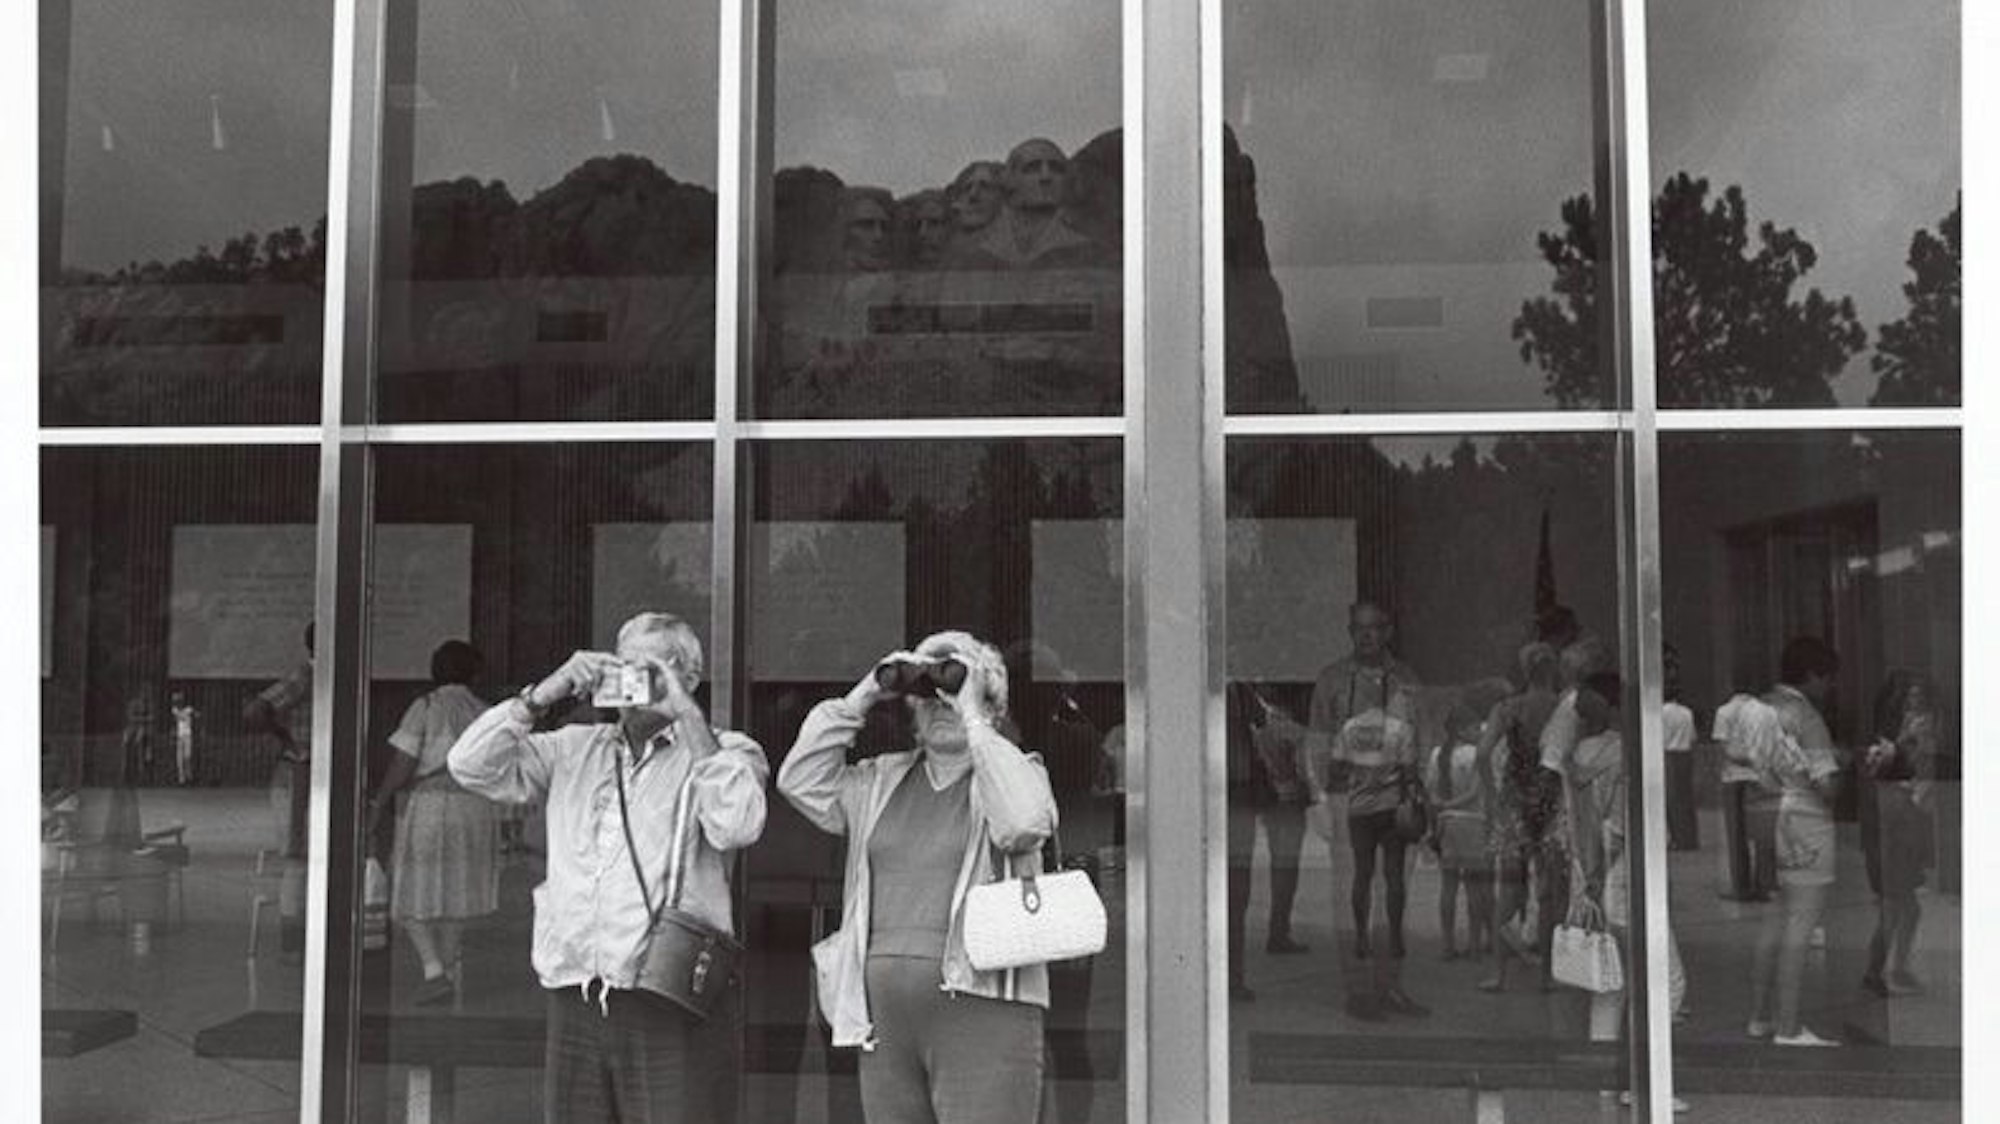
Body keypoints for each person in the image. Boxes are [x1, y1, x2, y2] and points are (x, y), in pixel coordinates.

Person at [449, 611, 768, 1123]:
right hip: (576, 988)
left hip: (667, 992)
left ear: (690, 675)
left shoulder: (726, 751)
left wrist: (683, 711)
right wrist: (543, 696)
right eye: (625, 666)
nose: (634, 680)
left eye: (653, 667)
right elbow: (468, 765)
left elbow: (738, 826)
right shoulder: (574, 749)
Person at [778, 630, 1057, 1124]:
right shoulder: (880, 779)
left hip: (984, 1008)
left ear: (991, 705)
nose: (940, 704)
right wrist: (867, 691)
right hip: (884, 1017)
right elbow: (800, 779)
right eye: (927, 695)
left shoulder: (1016, 772)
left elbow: (1023, 823)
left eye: (953, 689)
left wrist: (974, 718)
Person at [1567, 672, 1690, 1113]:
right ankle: (1648, 1080)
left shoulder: (1580, 753)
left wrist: (1589, 877)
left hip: (1597, 877)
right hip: (1629, 874)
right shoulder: (1628, 753)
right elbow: (1625, 828)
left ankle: (1604, 1080)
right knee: (1666, 981)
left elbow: (1584, 823)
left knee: (1611, 985)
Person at [1304, 600, 1425, 1019]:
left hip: (1396, 799)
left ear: (1388, 631)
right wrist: (1318, 796)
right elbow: (1317, 741)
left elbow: (1419, 740)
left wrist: (1421, 796)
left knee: (1394, 893)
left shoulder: (1406, 679)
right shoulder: (1333, 679)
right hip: (1347, 800)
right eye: (1358, 628)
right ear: (1349, 631)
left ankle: (1391, 984)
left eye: (1374, 627)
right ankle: (1358, 990)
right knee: (1352, 892)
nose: (1366, 635)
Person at [366, 640, 498, 1005]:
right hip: (475, 808)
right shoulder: (487, 712)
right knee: (456, 892)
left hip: (431, 805)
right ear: (475, 672)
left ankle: (434, 969)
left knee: (410, 890)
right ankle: (447, 971)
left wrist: (380, 801)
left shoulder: (425, 707)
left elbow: (403, 764)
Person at [1747, 637, 1845, 1047]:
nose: (1829, 687)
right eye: (1827, 678)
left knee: (1774, 920)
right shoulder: (1805, 715)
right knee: (1800, 926)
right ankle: (1788, 1026)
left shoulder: (1757, 708)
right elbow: (1827, 784)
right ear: (1811, 675)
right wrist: (1844, 766)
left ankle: (1760, 1016)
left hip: (1764, 814)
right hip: (1804, 819)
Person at [1476, 641, 1565, 992]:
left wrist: (1492, 797)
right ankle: (1546, 976)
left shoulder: (1508, 708)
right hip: (1550, 801)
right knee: (1548, 895)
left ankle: (1499, 974)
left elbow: (1483, 754)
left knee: (1509, 893)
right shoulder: (1561, 707)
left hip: (1514, 801)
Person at [1226, 682, 1311, 1003]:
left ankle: (1233, 972)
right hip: (1260, 798)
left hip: (1244, 798)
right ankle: (1275, 932)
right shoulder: (1243, 699)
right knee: (1270, 874)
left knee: (1235, 891)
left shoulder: (1241, 700)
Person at [1860, 669, 1940, 997]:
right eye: (1909, 697)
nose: (1913, 704)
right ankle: (1879, 969)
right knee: (1897, 903)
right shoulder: (1896, 745)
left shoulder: (1894, 742)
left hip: (1898, 826)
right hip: (1898, 827)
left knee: (1904, 905)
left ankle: (1891, 967)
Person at [243, 620, 315, 963]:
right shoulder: (306, 676)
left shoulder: (333, 678)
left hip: (318, 776)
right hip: (297, 776)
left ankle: (313, 935)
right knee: (298, 861)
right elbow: (256, 709)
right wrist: (284, 737)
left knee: (312, 861)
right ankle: (292, 942)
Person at [1426, 702, 1491, 960]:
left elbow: (1431, 791)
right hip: (1473, 821)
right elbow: (1476, 792)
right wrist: (1453, 805)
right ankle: (1474, 944)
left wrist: (1441, 810)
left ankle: (1448, 944)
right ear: (1462, 731)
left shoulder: (1437, 755)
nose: (1480, 731)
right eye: (1475, 727)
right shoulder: (1478, 754)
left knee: (1448, 887)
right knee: (1474, 888)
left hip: (1446, 823)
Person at [1662, 645, 1700, 851]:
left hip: (1668, 755)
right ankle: (1689, 837)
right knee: (1685, 799)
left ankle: (1675, 837)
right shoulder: (1687, 712)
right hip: (1685, 755)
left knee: (1671, 801)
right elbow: (1693, 737)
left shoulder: (1660, 713)